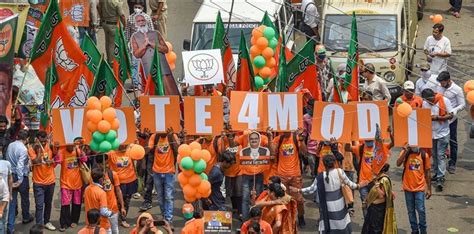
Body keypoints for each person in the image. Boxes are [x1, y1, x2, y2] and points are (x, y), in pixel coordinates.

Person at [300, 155, 365, 233]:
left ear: (324, 164)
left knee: (330, 225)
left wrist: (298, 190)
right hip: (340, 204)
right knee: (341, 224)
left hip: (327, 206)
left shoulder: (320, 176)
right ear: (334, 163)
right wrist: (359, 185)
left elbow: (311, 189)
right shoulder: (340, 172)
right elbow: (351, 185)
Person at [345, 125, 394, 217]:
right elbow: (347, 148)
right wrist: (349, 137)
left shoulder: (380, 148)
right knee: (365, 204)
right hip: (363, 182)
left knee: (375, 204)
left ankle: (374, 222)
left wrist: (390, 133)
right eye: (367, 141)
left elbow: (393, 144)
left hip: (376, 182)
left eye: (370, 140)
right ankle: (367, 224)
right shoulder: (360, 148)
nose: (368, 142)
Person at [271, 130, 307, 227]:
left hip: (295, 175)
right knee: (283, 200)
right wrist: (270, 137)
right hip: (281, 175)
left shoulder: (296, 137)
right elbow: (272, 152)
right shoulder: (278, 139)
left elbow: (305, 152)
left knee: (299, 199)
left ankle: (300, 216)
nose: (286, 132)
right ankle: (285, 219)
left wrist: (302, 140)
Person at [421, 88, 453, 191]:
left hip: (443, 133)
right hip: (431, 133)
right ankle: (436, 173)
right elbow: (423, 115)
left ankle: (441, 177)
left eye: (431, 99)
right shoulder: (424, 103)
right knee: (434, 154)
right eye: (427, 100)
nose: (430, 102)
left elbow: (451, 115)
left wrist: (438, 118)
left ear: (434, 95)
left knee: (440, 155)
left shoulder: (444, 100)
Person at [28, 131, 59, 231]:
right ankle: (39, 226)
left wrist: (53, 160)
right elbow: (36, 161)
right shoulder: (31, 149)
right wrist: (39, 151)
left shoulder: (49, 145)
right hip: (38, 182)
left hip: (50, 181)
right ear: (37, 139)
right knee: (39, 205)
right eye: (42, 141)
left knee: (48, 203)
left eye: (45, 140)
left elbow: (55, 154)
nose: (44, 143)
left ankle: (47, 221)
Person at [147, 128, 179, 224]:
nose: (163, 131)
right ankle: (164, 216)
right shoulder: (154, 136)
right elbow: (147, 150)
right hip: (156, 172)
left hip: (169, 172)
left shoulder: (172, 136)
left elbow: (178, 150)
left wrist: (172, 136)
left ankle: (168, 219)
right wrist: (146, 137)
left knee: (169, 197)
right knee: (160, 198)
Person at [397, 146, 431, 234]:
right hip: (407, 188)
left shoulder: (424, 155)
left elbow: (427, 172)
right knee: (410, 211)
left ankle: (423, 230)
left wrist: (429, 189)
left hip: (419, 188)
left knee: (421, 209)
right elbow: (398, 163)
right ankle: (414, 230)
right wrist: (404, 151)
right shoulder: (405, 153)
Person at [436, 71, 465, 174]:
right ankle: (439, 162)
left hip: (451, 119)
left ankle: (452, 163)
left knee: (453, 141)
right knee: (439, 140)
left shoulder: (457, 89)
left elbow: (462, 104)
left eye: (443, 83)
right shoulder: (439, 87)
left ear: (448, 81)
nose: (441, 85)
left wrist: (454, 110)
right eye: (440, 83)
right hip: (439, 119)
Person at [240, 131, 272, 220]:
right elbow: (242, 164)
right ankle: (245, 221)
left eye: (256, 138)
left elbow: (266, 164)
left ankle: (258, 220)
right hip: (246, 176)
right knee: (246, 199)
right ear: (249, 140)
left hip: (259, 175)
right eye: (252, 139)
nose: (254, 140)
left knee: (258, 198)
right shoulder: (243, 151)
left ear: (259, 139)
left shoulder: (265, 151)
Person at [57, 137, 87, 231]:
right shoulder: (62, 151)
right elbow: (57, 161)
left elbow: (85, 159)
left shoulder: (77, 151)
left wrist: (81, 150)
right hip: (65, 183)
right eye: (68, 145)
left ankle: (74, 220)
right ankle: (64, 223)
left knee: (76, 203)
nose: (70, 147)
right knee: (65, 204)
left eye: (72, 145)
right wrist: (56, 149)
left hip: (77, 183)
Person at [6, 130, 33, 233]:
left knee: (12, 201)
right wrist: (20, 180)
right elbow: (20, 166)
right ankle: (26, 217)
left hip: (11, 175)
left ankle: (10, 226)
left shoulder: (10, 145)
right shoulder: (23, 149)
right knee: (25, 199)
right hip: (20, 176)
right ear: (26, 139)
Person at [108, 145, 138, 228]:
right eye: (122, 144)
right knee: (117, 201)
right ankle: (114, 218)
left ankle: (123, 219)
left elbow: (141, 154)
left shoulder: (131, 149)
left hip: (130, 180)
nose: (124, 146)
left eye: (126, 144)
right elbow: (99, 156)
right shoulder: (111, 152)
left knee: (127, 201)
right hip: (117, 182)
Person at [361, 164, 397, 233]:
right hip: (372, 208)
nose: (372, 168)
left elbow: (381, 195)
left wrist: (377, 186)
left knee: (375, 230)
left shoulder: (384, 179)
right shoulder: (377, 177)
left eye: (374, 167)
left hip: (378, 211)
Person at [95, 154, 126, 234]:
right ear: (98, 164)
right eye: (102, 163)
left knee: (115, 230)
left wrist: (122, 207)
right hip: (101, 210)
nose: (105, 165)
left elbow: (118, 191)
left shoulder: (113, 174)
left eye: (106, 162)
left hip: (113, 209)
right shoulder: (94, 177)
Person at [218, 131, 243, 218]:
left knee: (239, 192)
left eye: (232, 135)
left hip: (239, 172)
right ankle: (235, 209)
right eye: (229, 136)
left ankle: (240, 211)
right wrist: (222, 139)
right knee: (230, 193)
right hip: (228, 173)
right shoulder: (224, 143)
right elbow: (221, 154)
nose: (230, 137)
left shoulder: (240, 142)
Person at [84, 168, 113, 232]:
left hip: (90, 222)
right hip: (102, 224)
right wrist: (111, 213)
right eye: (104, 178)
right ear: (100, 179)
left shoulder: (87, 189)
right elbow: (103, 212)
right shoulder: (101, 193)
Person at [0, 157, 11, 233]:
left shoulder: (1, 182)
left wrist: (1, 209)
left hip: (2, 200)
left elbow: (5, 195)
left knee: (2, 223)